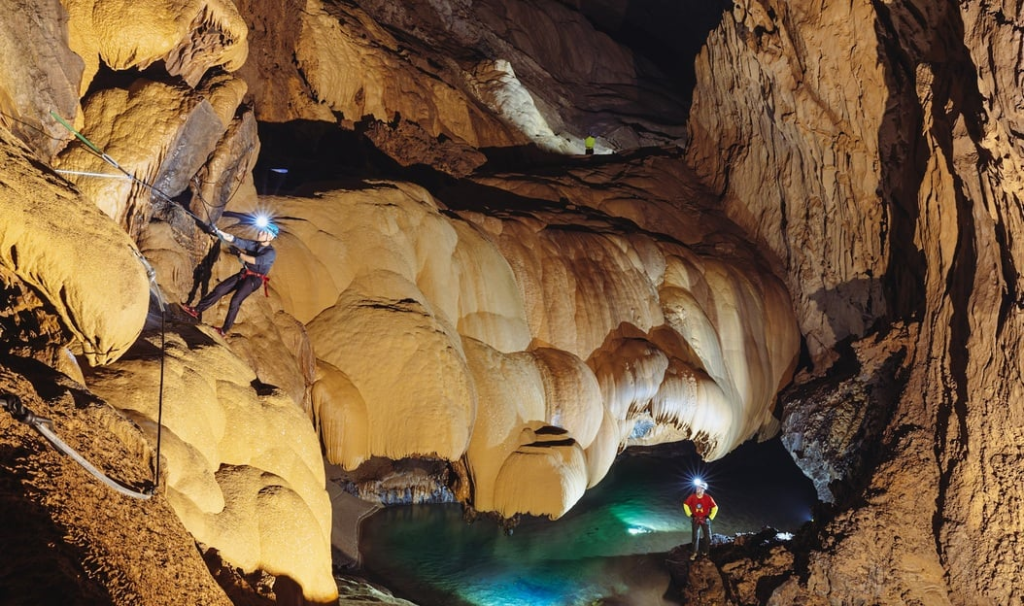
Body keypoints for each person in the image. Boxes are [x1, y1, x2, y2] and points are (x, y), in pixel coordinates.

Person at [183, 222, 279, 335]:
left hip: (254, 279)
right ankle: (196, 310)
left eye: (263, 232)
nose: (260, 232)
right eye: (260, 230)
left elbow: (255, 260)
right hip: (244, 274)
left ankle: (224, 330)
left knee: (236, 300)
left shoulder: (270, 253)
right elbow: (236, 240)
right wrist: (218, 232)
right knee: (220, 289)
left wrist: (239, 254)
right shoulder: (254, 244)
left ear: (270, 237)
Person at [683, 479, 718, 560]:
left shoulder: (708, 498)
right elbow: (685, 504)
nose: (697, 489)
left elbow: (715, 507)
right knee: (695, 537)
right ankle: (694, 553)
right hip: (695, 519)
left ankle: (705, 552)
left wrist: (710, 516)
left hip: (705, 520)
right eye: (696, 488)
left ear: (703, 489)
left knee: (708, 537)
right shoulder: (692, 497)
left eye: (699, 488)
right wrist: (690, 514)